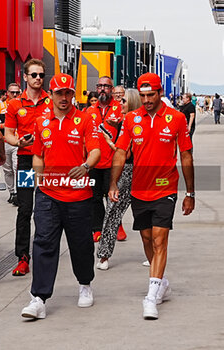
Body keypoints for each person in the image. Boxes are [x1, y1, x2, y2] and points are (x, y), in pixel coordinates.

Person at [109, 73, 195, 320]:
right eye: (142, 95)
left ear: (159, 93)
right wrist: (113, 183)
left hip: (165, 187)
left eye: (151, 95)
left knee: (159, 240)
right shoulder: (130, 119)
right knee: (147, 239)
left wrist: (190, 193)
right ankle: (162, 283)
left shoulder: (176, 118)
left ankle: (151, 296)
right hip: (139, 189)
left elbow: (186, 156)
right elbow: (121, 152)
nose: (146, 100)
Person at [21, 73, 100, 319]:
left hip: (78, 196)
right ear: (51, 94)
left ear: (73, 94)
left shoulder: (85, 119)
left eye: (68, 93)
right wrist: (39, 177)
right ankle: (39, 298)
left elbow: (96, 150)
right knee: (43, 243)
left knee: (82, 244)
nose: (64, 98)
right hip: (48, 195)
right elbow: (37, 154)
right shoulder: (41, 121)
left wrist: (86, 166)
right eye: (59, 93)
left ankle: (85, 284)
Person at [5, 58, 52, 276]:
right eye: (34, 75)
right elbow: (8, 134)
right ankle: (23, 258)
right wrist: (18, 143)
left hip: (48, 163)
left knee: (47, 210)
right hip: (25, 161)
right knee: (25, 209)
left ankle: (45, 253)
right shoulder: (15, 104)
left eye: (41, 75)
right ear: (25, 77)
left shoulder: (50, 102)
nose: (38, 79)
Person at [96, 89, 142, 270]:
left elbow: (126, 152)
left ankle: (104, 256)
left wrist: (110, 140)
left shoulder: (129, 123)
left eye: (123, 101)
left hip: (130, 171)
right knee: (141, 213)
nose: (120, 104)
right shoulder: (128, 122)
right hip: (136, 171)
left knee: (113, 212)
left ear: (131, 102)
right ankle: (152, 254)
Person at [87, 76, 121, 242]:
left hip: (113, 162)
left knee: (112, 197)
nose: (102, 89)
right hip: (94, 162)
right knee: (94, 197)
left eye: (106, 86)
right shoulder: (89, 111)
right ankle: (97, 228)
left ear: (111, 89)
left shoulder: (120, 109)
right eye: (100, 86)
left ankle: (116, 226)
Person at [0, 83, 21, 206]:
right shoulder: (0, 107)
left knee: (17, 168)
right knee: (7, 170)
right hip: (5, 141)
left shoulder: (23, 105)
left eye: (17, 92)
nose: (15, 95)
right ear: (7, 93)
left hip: (18, 142)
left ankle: (17, 193)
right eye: (13, 92)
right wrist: (7, 126)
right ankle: (11, 192)